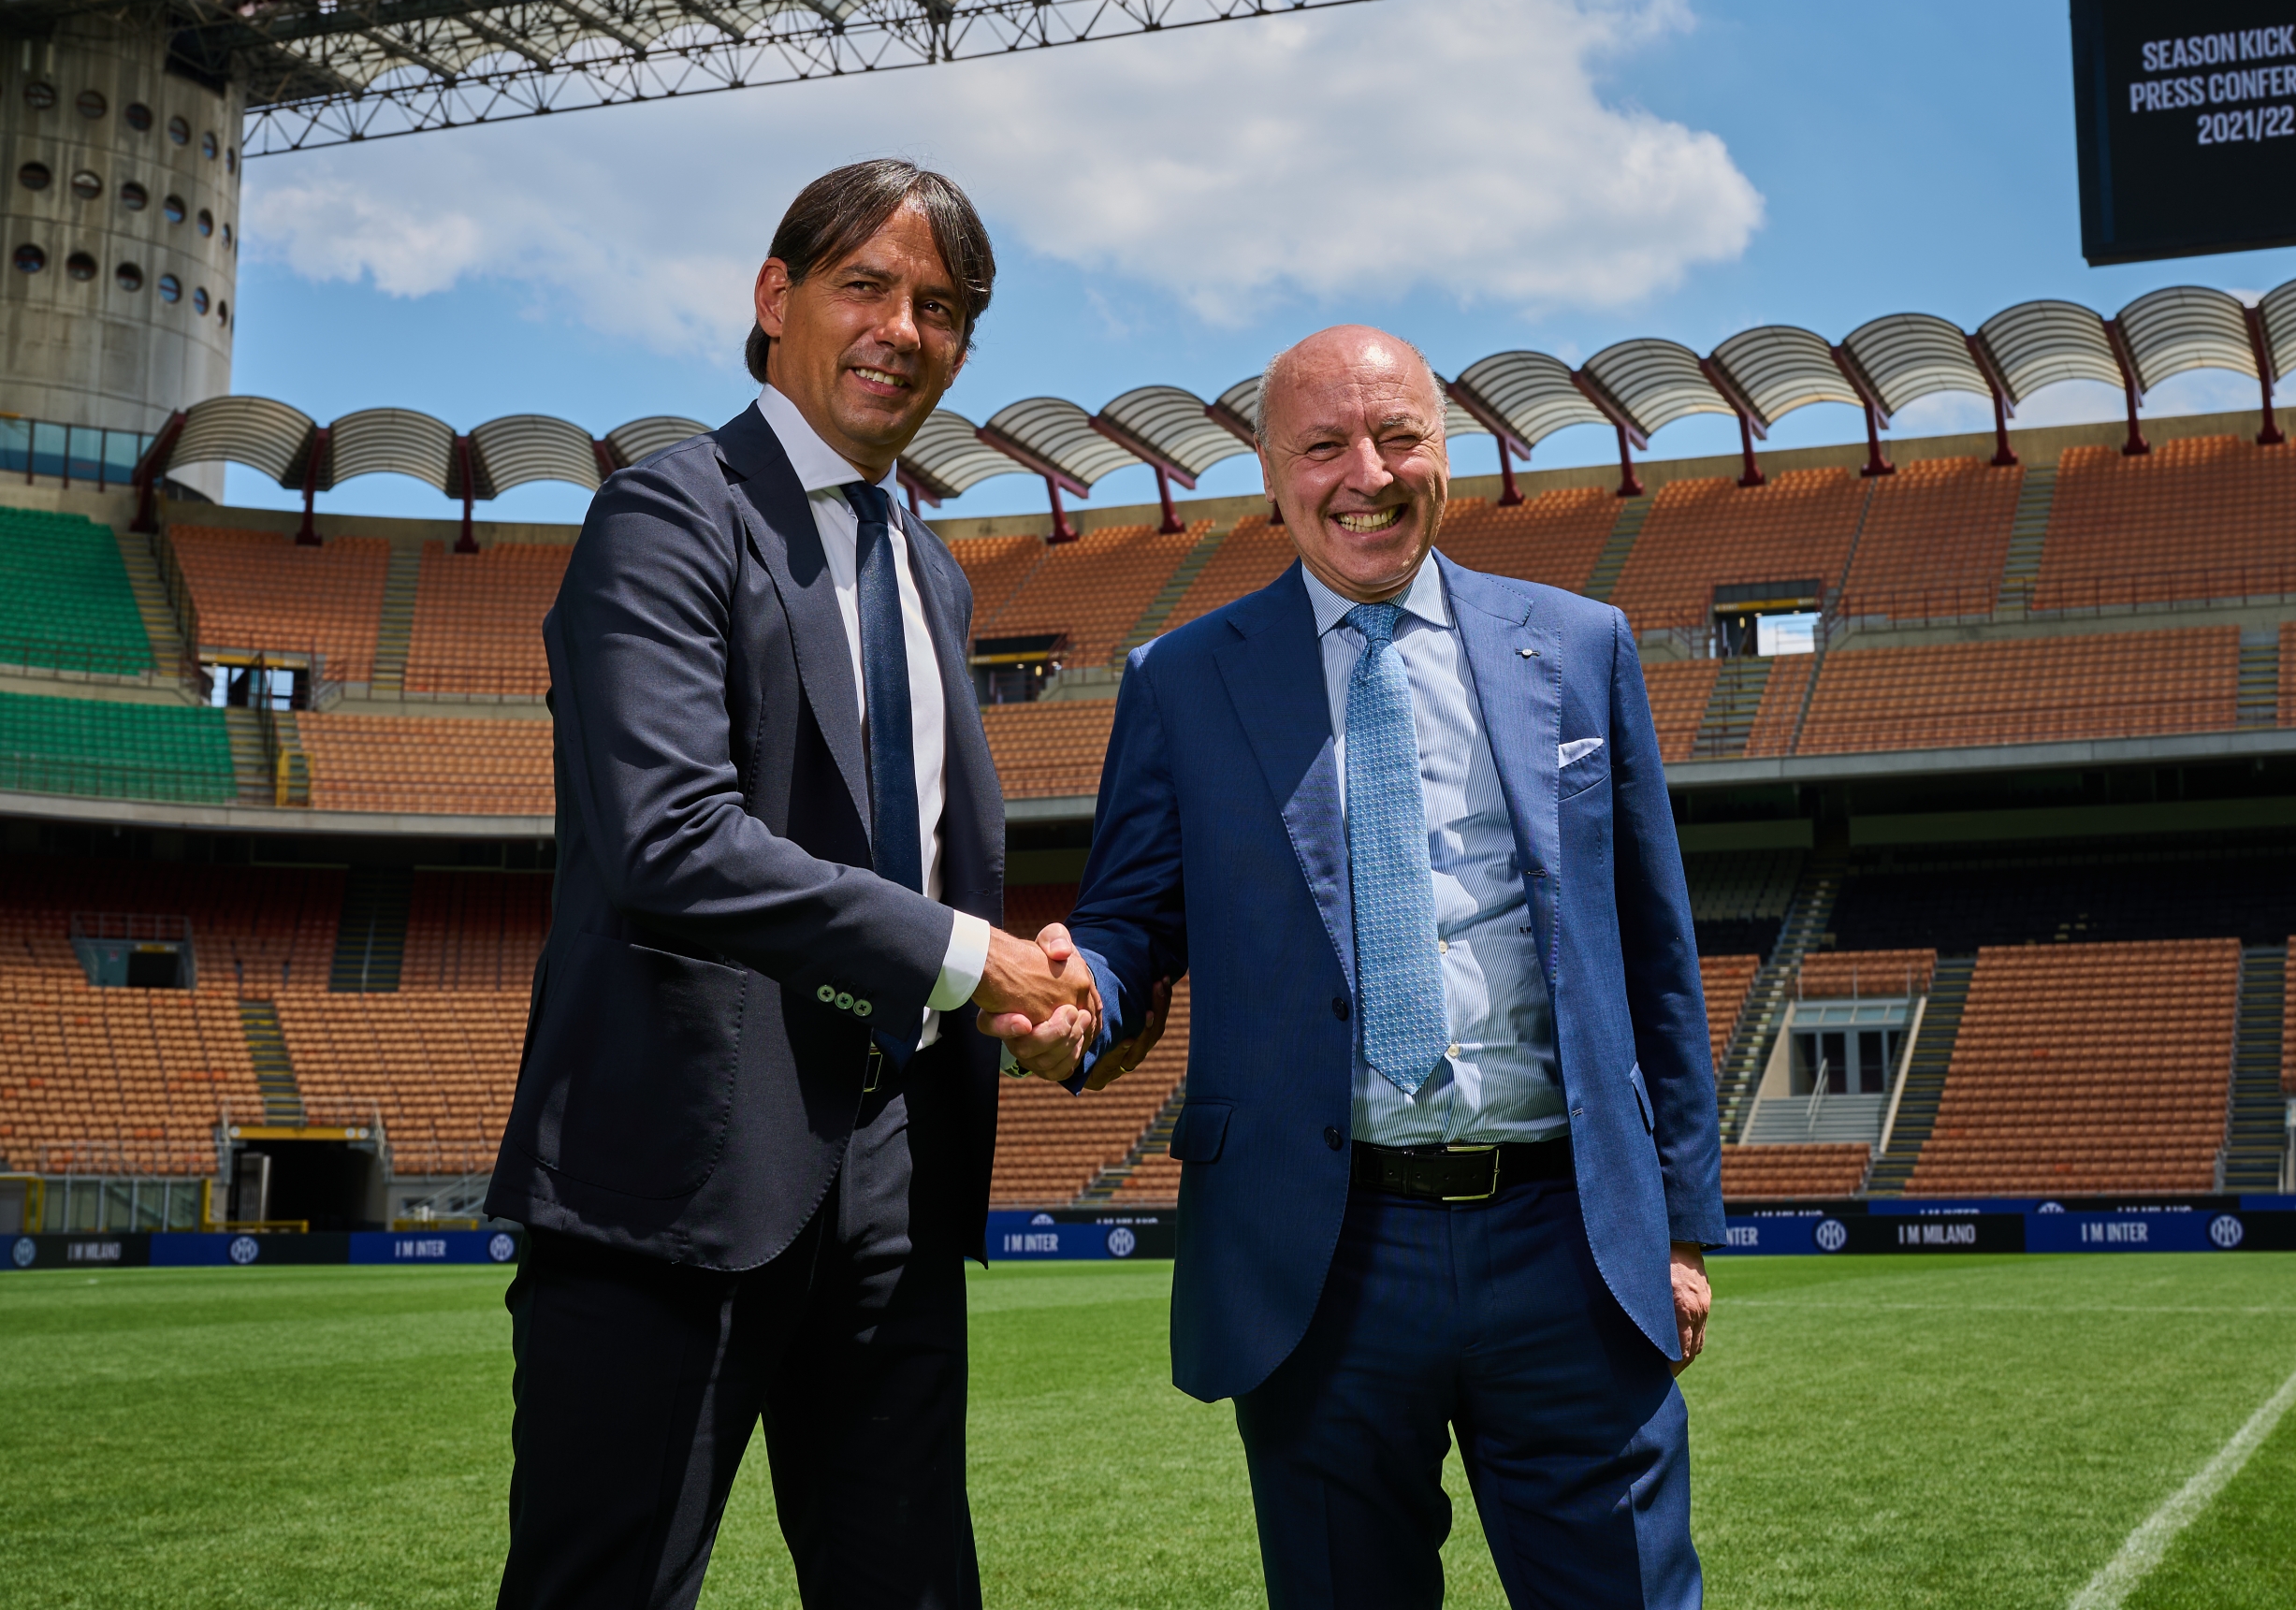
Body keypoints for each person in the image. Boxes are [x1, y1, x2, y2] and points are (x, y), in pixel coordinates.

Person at [1016, 325, 1724, 1609]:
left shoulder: (1579, 647)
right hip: (1323, 1259)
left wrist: (1675, 1230)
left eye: (1399, 436)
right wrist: (1086, 991)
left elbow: (1654, 953)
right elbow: (1132, 923)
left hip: (1565, 1239)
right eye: (1326, 445)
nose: (1368, 474)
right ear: (1273, 478)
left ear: (1447, 453)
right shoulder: (1179, 682)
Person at [487, 159, 1097, 1610]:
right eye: (866, 287)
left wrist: (1033, 993)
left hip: (897, 1175)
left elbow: (926, 853)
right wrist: (968, 956)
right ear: (776, 301)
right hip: (677, 1178)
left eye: (941, 307)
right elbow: (671, 841)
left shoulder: (929, 567)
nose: (904, 328)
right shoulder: (666, 514)